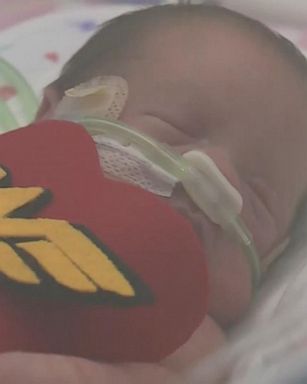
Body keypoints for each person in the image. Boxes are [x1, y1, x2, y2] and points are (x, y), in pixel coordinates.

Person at [2, 4, 307, 383]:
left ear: (274, 258)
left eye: (258, 197)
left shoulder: (190, 342)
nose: (219, 179)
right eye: (173, 129)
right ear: (55, 114)